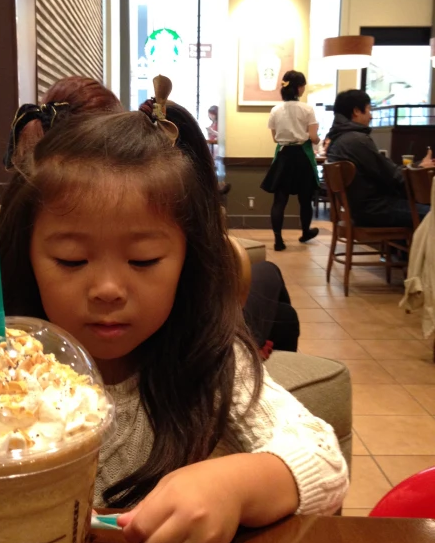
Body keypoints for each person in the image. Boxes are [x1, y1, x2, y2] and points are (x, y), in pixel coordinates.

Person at [0, 94, 348, 543]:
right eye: (72, 260)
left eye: (143, 260)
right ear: (26, 260)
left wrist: (234, 487)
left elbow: (324, 462)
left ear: (188, 262)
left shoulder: (209, 362)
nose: (107, 289)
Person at [166, 99, 300, 354]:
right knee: (271, 274)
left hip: (196, 327)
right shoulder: (185, 205)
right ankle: (253, 357)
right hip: (203, 342)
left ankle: (262, 354)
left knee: (285, 317)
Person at [326, 89, 433, 227]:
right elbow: (394, 176)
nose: (371, 116)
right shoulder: (356, 140)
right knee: (432, 213)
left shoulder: (338, 139)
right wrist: (419, 167)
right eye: (369, 110)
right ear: (356, 111)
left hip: (358, 209)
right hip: (374, 209)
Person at [261, 71, 321, 251]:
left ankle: (278, 240)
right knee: (305, 199)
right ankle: (305, 233)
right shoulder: (307, 109)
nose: (304, 88)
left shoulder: (275, 110)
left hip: (284, 156)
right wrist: (318, 140)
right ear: (298, 87)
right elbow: (313, 137)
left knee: (279, 201)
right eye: (303, 85)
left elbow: (274, 138)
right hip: (302, 156)